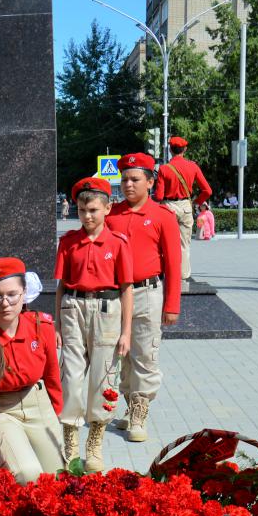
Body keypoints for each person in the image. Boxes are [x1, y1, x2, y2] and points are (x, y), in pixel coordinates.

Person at [0, 257, 63, 483]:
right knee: (27, 473)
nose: (5, 303)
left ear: (24, 293)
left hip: (37, 402)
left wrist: (56, 413)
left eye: (12, 294)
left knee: (59, 475)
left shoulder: (41, 326)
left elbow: (52, 375)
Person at [54, 177, 133, 473]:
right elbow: (61, 286)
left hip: (106, 311)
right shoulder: (68, 242)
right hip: (73, 309)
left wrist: (126, 332)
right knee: (71, 378)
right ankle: (71, 443)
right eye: (82, 210)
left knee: (103, 380)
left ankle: (95, 442)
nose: (87, 216)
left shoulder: (118, 244)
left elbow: (126, 289)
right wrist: (58, 326)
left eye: (93, 210)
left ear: (107, 208)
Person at [106, 153, 181, 444]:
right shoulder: (111, 214)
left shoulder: (163, 216)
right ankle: (129, 404)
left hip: (147, 294)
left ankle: (140, 413)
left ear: (150, 182)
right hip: (114, 296)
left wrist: (172, 305)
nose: (128, 184)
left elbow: (174, 264)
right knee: (120, 357)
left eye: (135, 179)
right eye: (124, 179)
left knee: (145, 355)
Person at [154, 137, 212, 281]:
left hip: (168, 208)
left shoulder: (164, 169)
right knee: (184, 244)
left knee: (166, 243)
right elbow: (208, 191)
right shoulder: (193, 167)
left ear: (170, 150)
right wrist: (196, 202)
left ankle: (168, 274)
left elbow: (159, 195)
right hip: (186, 206)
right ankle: (183, 276)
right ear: (185, 150)